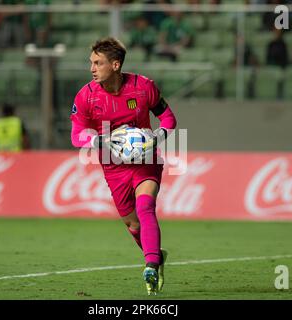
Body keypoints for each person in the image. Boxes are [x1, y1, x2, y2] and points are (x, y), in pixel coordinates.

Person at [70, 37, 177, 295]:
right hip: (113, 167)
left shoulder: (143, 87)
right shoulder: (86, 96)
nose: (92, 68)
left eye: (98, 63)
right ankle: (157, 255)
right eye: (91, 63)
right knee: (133, 225)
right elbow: (76, 135)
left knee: (145, 205)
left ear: (115, 65)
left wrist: (157, 137)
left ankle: (150, 264)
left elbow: (168, 117)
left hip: (145, 160)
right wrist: (99, 139)